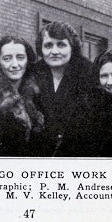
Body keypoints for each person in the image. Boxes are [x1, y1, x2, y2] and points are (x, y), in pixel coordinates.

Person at [0, 36, 44, 156]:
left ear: (28, 61)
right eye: (7, 59)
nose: (15, 64)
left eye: (20, 58)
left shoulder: (36, 95)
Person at [33, 21, 92, 157]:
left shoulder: (89, 74)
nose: (54, 51)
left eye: (61, 45)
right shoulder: (33, 74)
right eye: (48, 45)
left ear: (72, 47)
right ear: (41, 49)